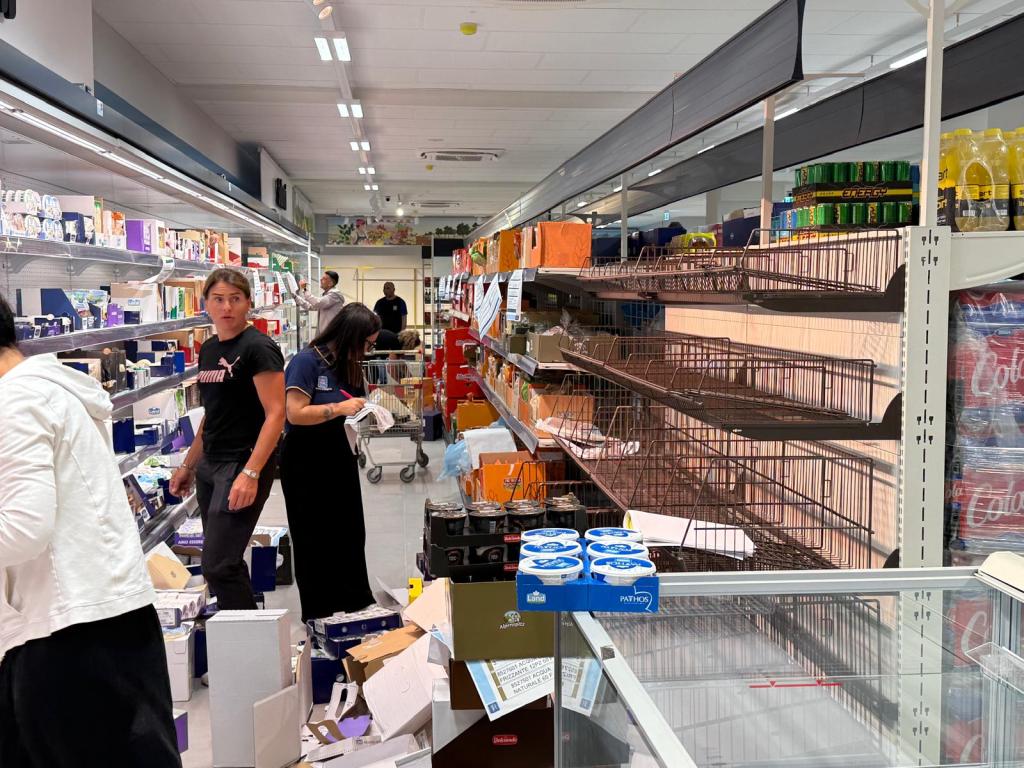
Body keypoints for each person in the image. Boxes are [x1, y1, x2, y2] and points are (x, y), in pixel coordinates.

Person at [0, 294, 181, 767]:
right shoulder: (51, 389)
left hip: (70, 632)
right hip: (108, 616)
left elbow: (24, 526)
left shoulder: (14, 400)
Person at [169, 269, 285, 610]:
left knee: (218, 564)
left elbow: (276, 414)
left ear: (248, 302)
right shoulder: (209, 349)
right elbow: (212, 412)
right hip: (209, 465)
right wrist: (189, 464)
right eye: (218, 299)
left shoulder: (259, 348)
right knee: (224, 560)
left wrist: (251, 473)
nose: (227, 307)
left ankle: (249, 649)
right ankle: (239, 633)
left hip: (241, 463)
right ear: (206, 303)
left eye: (235, 299)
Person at [279, 303, 380, 622]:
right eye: (368, 343)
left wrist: (371, 415)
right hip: (305, 458)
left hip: (340, 453)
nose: (369, 350)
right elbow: (294, 412)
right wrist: (338, 409)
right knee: (312, 535)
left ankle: (356, 602)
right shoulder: (306, 363)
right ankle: (319, 611)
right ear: (351, 336)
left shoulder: (349, 365)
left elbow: (354, 406)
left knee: (350, 529)